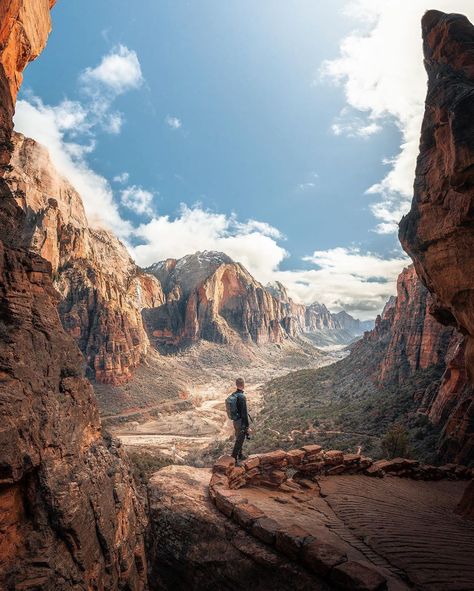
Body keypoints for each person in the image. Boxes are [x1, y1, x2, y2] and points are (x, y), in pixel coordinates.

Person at [231, 377, 250, 463]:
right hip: (241, 422)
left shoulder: (234, 394)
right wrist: (247, 426)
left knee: (239, 439)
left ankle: (240, 455)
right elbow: (244, 414)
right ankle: (234, 459)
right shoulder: (242, 397)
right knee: (239, 441)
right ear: (243, 385)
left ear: (236, 384)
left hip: (235, 421)